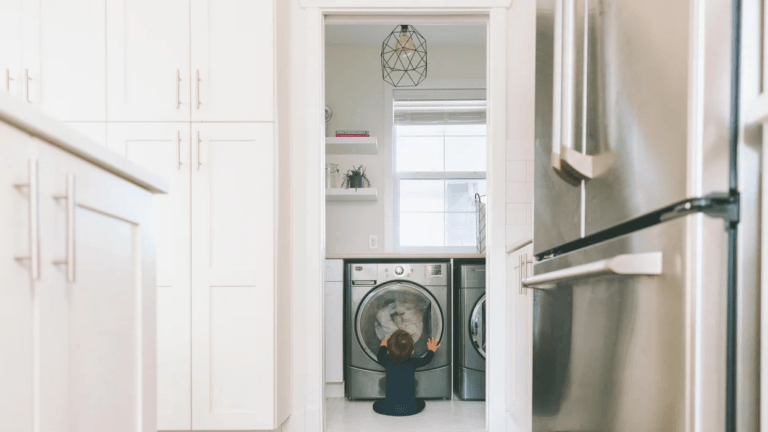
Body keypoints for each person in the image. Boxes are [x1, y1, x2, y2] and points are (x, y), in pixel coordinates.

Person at [372, 329, 440, 416]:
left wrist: (383, 346)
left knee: (375, 406)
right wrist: (431, 350)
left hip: (390, 408)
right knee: (422, 403)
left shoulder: (387, 361)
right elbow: (425, 360)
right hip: (410, 408)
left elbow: (380, 356)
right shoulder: (413, 362)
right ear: (412, 352)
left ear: (388, 352)